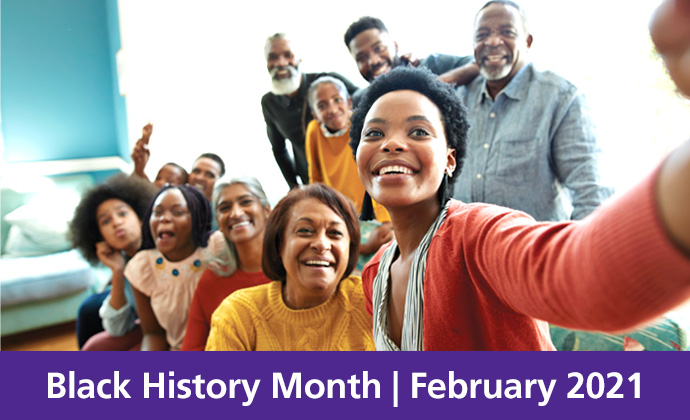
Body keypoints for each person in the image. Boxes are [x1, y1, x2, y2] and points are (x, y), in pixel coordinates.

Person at [349, 64, 690, 350]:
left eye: (419, 131)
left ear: (450, 160)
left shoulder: (479, 235)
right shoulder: (376, 273)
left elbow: (584, 274)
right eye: (374, 134)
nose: (392, 143)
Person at [452, 1, 613, 221]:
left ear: (527, 42)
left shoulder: (560, 97)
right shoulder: (458, 99)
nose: (492, 42)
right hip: (463, 252)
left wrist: (571, 252)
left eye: (507, 32)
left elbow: (592, 192)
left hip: (536, 253)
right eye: (482, 35)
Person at [205, 184, 375, 351]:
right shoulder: (238, 316)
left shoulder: (374, 302)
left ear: (350, 248)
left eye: (335, 233)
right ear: (280, 244)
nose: (322, 244)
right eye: (305, 231)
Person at [305, 76, 393, 260]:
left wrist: (385, 220)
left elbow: (377, 169)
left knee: (382, 252)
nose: (332, 109)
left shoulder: (362, 126)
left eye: (337, 100)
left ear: (349, 103)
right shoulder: (313, 131)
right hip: (340, 212)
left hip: (373, 211)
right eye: (322, 105)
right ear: (315, 115)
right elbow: (315, 176)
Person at [181, 177, 272, 351]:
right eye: (225, 208)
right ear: (219, 222)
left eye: (245, 202)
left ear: (266, 210)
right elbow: (192, 349)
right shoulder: (212, 278)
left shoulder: (292, 271)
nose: (236, 213)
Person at [69, 174, 157, 349]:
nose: (116, 222)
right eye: (106, 221)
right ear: (99, 235)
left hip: (177, 332)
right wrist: (117, 271)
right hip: (151, 332)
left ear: (141, 217)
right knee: (93, 347)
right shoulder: (125, 264)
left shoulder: (163, 251)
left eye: (122, 213)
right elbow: (117, 329)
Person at [261, 33, 359, 189]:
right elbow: (279, 150)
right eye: (273, 57)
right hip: (312, 183)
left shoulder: (328, 83)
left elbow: (365, 98)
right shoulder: (269, 103)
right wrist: (294, 188)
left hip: (349, 175)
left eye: (288, 55)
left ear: (299, 58)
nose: (281, 63)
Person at [127, 184, 213, 350]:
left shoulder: (216, 248)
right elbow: (153, 333)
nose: (163, 218)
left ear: (196, 218)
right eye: (157, 212)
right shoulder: (142, 266)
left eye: (177, 212)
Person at [344, 16, 479, 105]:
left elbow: (478, 63)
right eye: (362, 58)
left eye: (379, 48)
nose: (373, 61)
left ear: (395, 46)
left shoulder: (432, 65)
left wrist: (430, 87)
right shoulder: (361, 100)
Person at [130, 123, 188, 189]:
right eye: (158, 178)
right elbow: (139, 176)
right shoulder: (150, 194)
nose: (161, 183)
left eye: (169, 182)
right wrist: (143, 143)